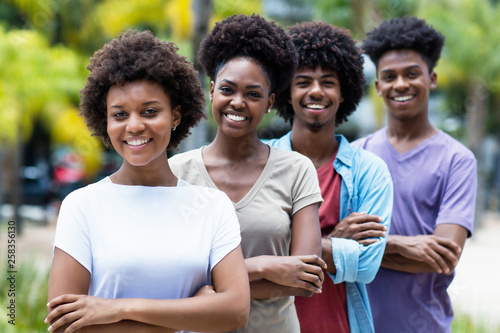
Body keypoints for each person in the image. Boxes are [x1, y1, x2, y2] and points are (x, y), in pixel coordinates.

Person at [45, 30, 250, 333]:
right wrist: (192, 312)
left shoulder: (212, 206)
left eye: (150, 111)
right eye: (119, 114)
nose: (134, 125)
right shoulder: (82, 206)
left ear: (175, 115)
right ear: (106, 121)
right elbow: (64, 325)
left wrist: (116, 309)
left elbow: (234, 312)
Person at [169, 14, 326, 333]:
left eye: (253, 94)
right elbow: (170, 279)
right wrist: (265, 266)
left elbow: (306, 279)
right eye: (228, 89)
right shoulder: (174, 173)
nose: (238, 102)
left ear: (269, 102)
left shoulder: (296, 170)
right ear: (212, 90)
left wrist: (213, 290)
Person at [266, 21, 393, 333]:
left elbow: (366, 264)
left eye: (328, 82)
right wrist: (333, 241)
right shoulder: (260, 161)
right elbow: (236, 252)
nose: (316, 91)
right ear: (286, 91)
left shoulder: (369, 171)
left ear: (343, 91)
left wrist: (276, 249)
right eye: (303, 81)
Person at [353, 16, 477, 332]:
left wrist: (360, 251)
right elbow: (327, 247)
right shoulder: (354, 156)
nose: (401, 84)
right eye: (389, 76)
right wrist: (405, 247)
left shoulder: (457, 160)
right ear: (378, 85)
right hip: (355, 324)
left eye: (412, 74)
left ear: (431, 78)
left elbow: (443, 256)